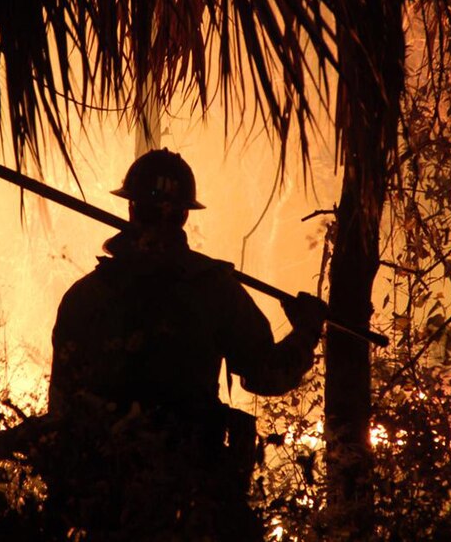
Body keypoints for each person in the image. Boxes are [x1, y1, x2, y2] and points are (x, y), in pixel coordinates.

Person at [47, 149, 328, 541]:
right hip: (194, 505)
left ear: (131, 208)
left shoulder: (84, 298)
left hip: (105, 507)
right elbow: (268, 375)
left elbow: (60, 413)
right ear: (184, 215)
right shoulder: (214, 290)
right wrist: (307, 330)